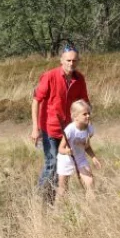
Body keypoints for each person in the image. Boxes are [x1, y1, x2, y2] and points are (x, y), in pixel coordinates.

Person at [31, 44, 90, 203]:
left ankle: (54, 199)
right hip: (50, 128)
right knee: (52, 163)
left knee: (65, 165)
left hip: (69, 130)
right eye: (68, 60)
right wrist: (35, 128)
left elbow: (84, 103)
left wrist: (84, 126)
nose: (72, 63)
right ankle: (39, 198)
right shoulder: (49, 76)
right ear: (61, 60)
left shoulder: (79, 79)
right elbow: (36, 101)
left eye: (74, 61)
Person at [56, 100, 101, 198]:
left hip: (80, 159)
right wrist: (67, 151)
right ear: (75, 116)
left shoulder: (89, 129)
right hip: (66, 160)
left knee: (90, 182)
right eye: (84, 114)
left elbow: (87, 146)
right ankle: (60, 208)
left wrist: (93, 158)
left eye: (89, 113)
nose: (88, 116)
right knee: (63, 188)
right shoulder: (70, 130)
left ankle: (91, 208)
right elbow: (60, 149)